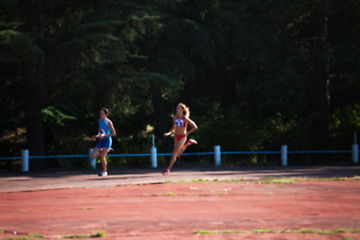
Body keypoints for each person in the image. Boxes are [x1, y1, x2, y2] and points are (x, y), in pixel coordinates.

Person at [162, 103, 198, 175]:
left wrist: (187, 133)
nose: (177, 110)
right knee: (178, 154)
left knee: (174, 153)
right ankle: (188, 143)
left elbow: (195, 127)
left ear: (182, 110)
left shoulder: (185, 119)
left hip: (182, 137)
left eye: (178, 108)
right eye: (176, 108)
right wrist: (168, 133)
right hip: (176, 136)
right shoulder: (175, 118)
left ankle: (168, 169)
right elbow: (173, 129)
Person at [92, 108, 116, 176]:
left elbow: (114, 133)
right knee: (93, 156)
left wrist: (104, 135)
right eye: (100, 113)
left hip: (107, 140)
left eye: (102, 113)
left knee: (102, 156)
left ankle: (104, 171)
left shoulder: (109, 122)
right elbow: (100, 131)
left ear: (106, 115)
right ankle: (106, 149)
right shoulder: (100, 121)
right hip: (101, 140)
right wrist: (96, 136)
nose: (101, 115)